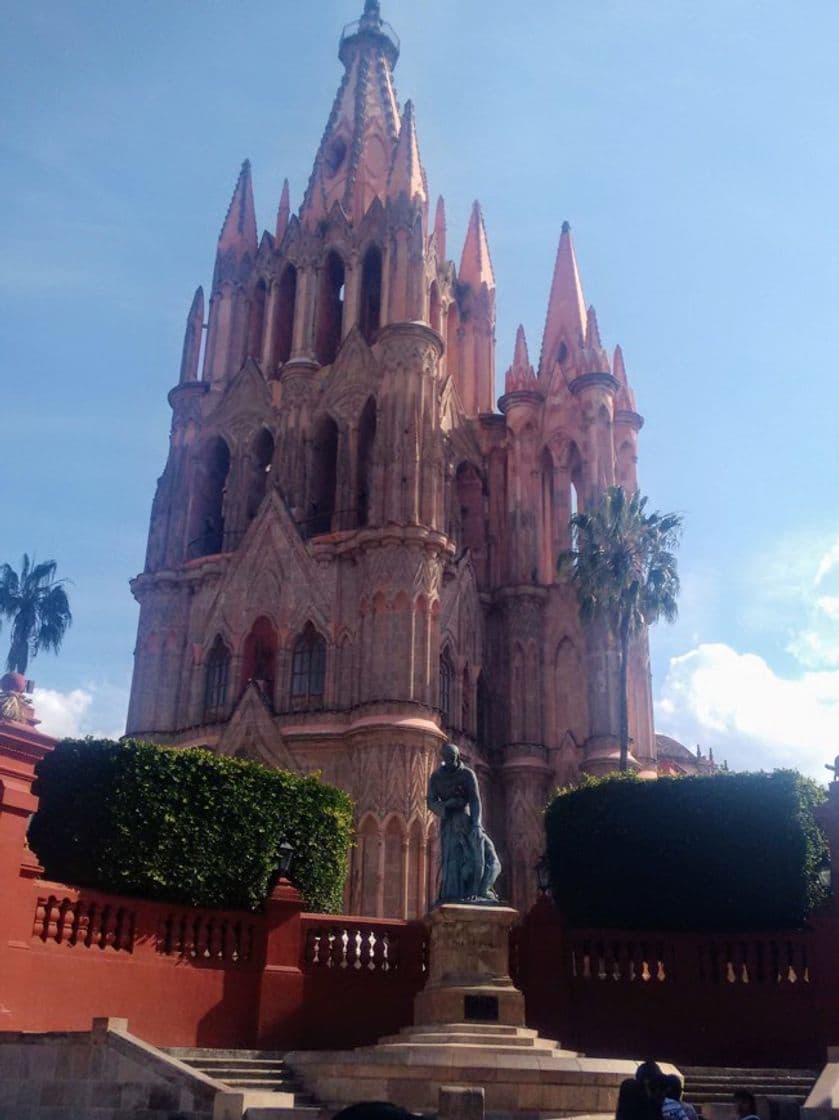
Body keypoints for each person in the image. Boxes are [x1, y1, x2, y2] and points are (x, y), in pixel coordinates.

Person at [426, 741, 501, 904]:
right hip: (450, 823)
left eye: (452, 758)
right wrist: (448, 804)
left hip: (467, 821)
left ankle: (482, 890)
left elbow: (475, 801)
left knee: (492, 858)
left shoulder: (467, 774)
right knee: (455, 861)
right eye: (447, 758)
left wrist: (476, 825)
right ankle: (463, 894)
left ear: (457, 757)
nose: (450, 762)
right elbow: (431, 802)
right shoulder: (436, 777)